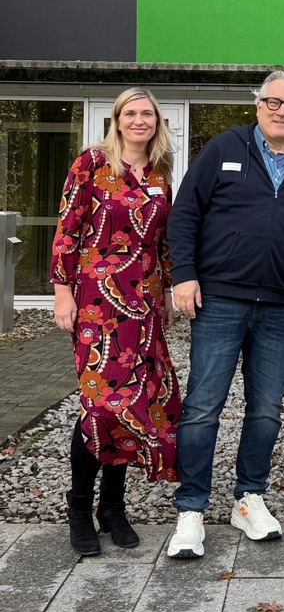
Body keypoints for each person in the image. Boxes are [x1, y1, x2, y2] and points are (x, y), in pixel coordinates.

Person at [166, 70, 284, 558]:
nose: (282, 111)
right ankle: (191, 510)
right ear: (257, 106)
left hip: (276, 306)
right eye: (273, 102)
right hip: (218, 300)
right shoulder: (224, 148)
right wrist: (184, 274)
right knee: (201, 408)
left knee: (266, 409)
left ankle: (248, 497)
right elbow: (185, 213)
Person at [51, 87, 181, 556]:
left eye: (147, 113)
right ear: (117, 119)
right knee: (102, 404)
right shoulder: (91, 163)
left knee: (136, 404)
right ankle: (79, 509)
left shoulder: (162, 173)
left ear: (157, 122)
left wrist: (165, 290)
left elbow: (163, 240)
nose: (140, 120)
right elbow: (67, 229)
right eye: (132, 113)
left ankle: (113, 509)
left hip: (144, 303)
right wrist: (62, 291)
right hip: (96, 304)